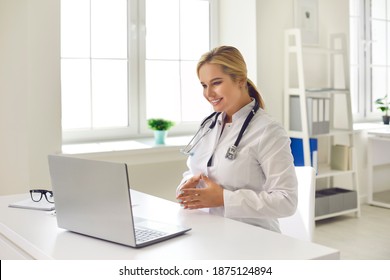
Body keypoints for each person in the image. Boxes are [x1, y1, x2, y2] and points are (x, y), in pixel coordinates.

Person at [176, 46, 298, 232]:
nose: (208, 94)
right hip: (206, 230)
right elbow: (198, 172)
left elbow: (286, 201)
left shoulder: (267, 130)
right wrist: (186, 188)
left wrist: (223, 198)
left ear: (240, 80)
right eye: (204, 85)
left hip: (252, 236)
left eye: (216, 83)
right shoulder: (209, 125)